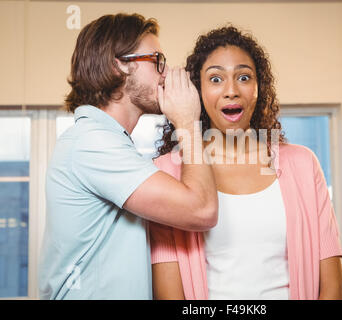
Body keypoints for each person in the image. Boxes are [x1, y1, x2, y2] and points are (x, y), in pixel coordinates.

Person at [149, 26, 342, 300]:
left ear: (258, 88)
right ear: (198, 91)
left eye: (243, 77)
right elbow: (170, 296)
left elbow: (334, 289)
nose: (231, 91)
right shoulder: (167, 172)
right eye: (215, 79)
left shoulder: (303, 165)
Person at [38, 13, 218, 300]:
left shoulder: (108, 143)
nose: (165, 72)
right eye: (156, 59)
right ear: (119, 65)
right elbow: (202, 210)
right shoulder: (92, 143)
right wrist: (187, 122)